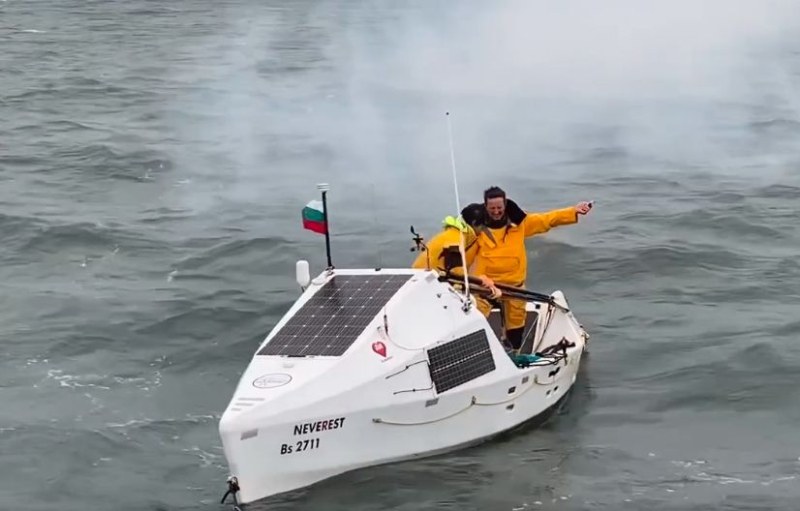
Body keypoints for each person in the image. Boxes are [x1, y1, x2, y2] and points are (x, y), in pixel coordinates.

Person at [471, 186, 593, 352]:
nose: (496, 211)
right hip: (485, 286)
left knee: (516, 328)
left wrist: (573, 211)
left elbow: (547, 220)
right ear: (485, 207)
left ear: (505, 205)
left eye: (499, 208)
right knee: (475, 321)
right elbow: (455, 243)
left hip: (514, 286)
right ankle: (479, 352)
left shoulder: (520, 223)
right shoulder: (475, 228)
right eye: (492, 208)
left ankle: (514, 352)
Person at [412, 204, 500, 297]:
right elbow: (456, 271)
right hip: (424, 283)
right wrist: (482, 281)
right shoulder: (455, 239)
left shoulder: (454, 233)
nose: (483, 230)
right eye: (483, 226)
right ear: (474, 223)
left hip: (427, 279)